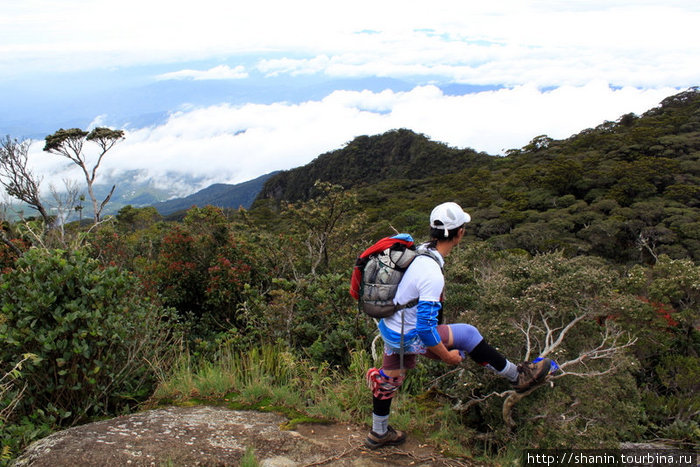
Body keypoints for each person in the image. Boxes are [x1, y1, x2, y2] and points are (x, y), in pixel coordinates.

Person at [365, 201, 552, 450]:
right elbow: (424, 329)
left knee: (390, 376)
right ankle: (517, 377)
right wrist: (447, 356)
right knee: (467, 333)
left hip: (389, 325)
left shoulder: (420, 251)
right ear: (460, 232)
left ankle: (379, 433)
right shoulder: (431, 271)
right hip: (406, 333)